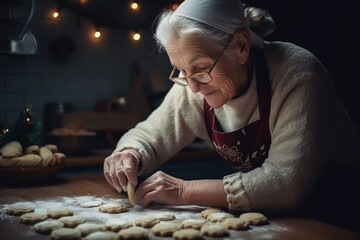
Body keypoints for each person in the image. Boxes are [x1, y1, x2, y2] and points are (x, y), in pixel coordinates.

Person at [103, 0, 360, 215]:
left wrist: (183, 191)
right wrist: (130, 152)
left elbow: (285, 185)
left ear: (241, 47)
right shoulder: (196, 86)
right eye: (181, 70)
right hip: (277, 216)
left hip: (337, 211)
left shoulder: (297, 73)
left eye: (201, 68)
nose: (192, 87)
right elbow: (150, 135)